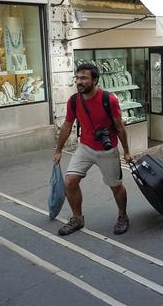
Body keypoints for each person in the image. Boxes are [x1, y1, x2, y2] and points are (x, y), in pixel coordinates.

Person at [53, 63, 132, 236]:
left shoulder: (109, 99)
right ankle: (78, 218)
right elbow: (67, 125)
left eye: (84, 78)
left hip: (107, 150)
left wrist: (126, 151)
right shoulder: (74, 101)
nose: (79, 81)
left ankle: (122, 216)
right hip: (85, 147)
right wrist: (59, 150)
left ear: (95, 80)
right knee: (70, 181)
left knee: (116, 186)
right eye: (78, 77)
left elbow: (120, 127)